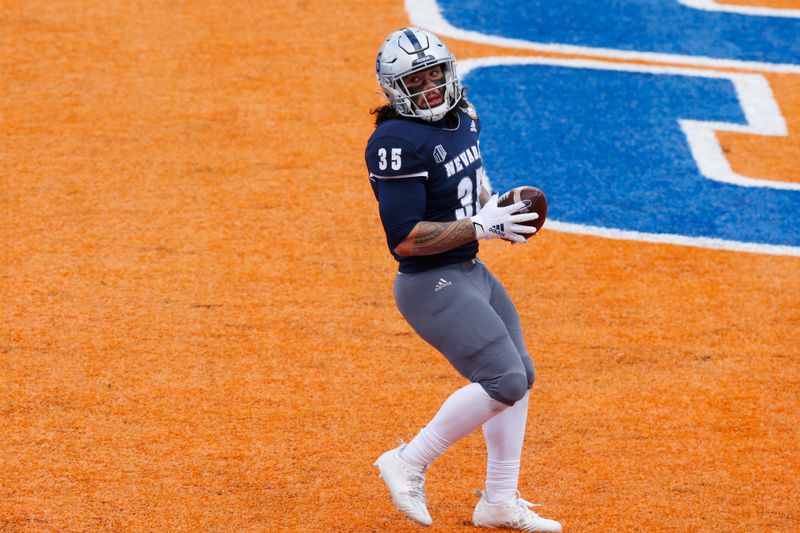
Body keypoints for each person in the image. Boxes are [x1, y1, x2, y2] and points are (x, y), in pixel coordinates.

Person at [365, 27, 562, 532]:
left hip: (468, 268)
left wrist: (496, 214)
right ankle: (408, 460)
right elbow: (404, 239)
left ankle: (498, 500)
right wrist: (479, 226)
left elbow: (471, 183)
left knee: (521, 375)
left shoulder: (466, 117)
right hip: (428, 281)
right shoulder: (394, 141)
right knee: (504, 379)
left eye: (434, 75)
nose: (430, 89)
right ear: (394, 89)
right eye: (416, 81)